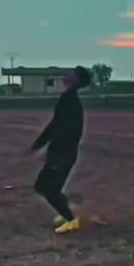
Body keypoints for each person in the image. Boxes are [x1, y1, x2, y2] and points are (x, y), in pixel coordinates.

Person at [29, 66, 92, 233]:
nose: (67, 74)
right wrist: (38, 145)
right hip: (60, 152)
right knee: (43, 186)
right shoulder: (67, 99)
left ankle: (71, 219)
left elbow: (68, 131)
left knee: (48, 189)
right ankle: (68, 210)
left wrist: (58, 153)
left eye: (71, 73)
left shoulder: (72, 102)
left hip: (63, 153)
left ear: (76, 80)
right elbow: (54, 125)